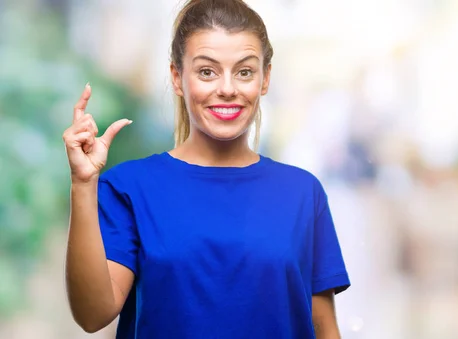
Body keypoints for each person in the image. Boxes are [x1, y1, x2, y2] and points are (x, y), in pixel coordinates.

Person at [62, 1, 350, 338]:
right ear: (177, 77)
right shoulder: (129, 187)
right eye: (207, 71)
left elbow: (325, 328)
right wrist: (83, 183)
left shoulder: (303, 192)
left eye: (244, 71)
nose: (227, 89)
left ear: (265, 78)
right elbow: (92, 315)